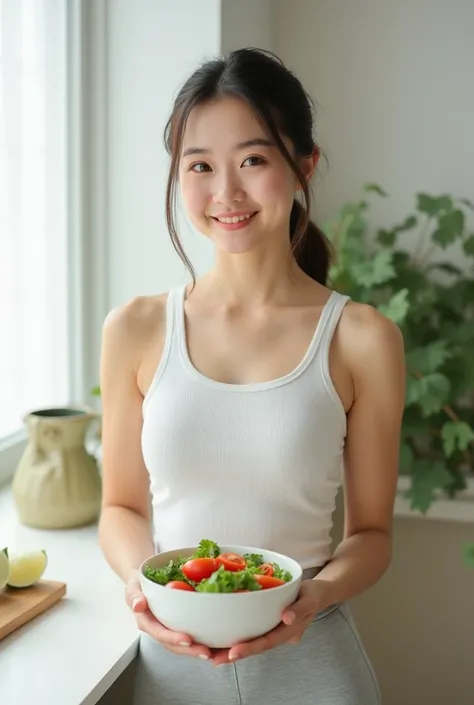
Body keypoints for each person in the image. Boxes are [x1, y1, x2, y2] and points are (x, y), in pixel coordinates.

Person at [98, 47, 405, 705]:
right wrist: (137, 583)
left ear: (304, 166)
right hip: (171, 666)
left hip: (312, 659)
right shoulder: (134, 329)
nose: (226, 193)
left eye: (254, 160)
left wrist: (313, 594)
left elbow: (372, 535)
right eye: (200, 166)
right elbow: (120, 507)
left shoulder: (362, 338)